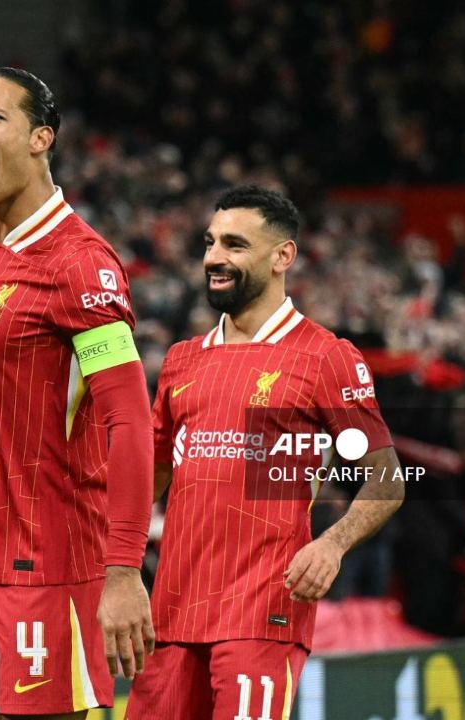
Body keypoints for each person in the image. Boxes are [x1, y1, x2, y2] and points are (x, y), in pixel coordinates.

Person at [0, 66, 154, 718]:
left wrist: (124, 569)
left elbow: (130, 420)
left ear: (42, 137)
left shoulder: (83, 267)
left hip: (45, 568)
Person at [124, 185, 404, 719]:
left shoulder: (325, 357)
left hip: (262, 614)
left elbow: (386, 479)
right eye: (210, 243)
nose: (214, 258)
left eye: (234, 244)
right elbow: (152, 473)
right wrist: (118, 568)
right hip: (171, 615)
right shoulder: (183, 360)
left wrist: (332, 544)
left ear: (282, 257)